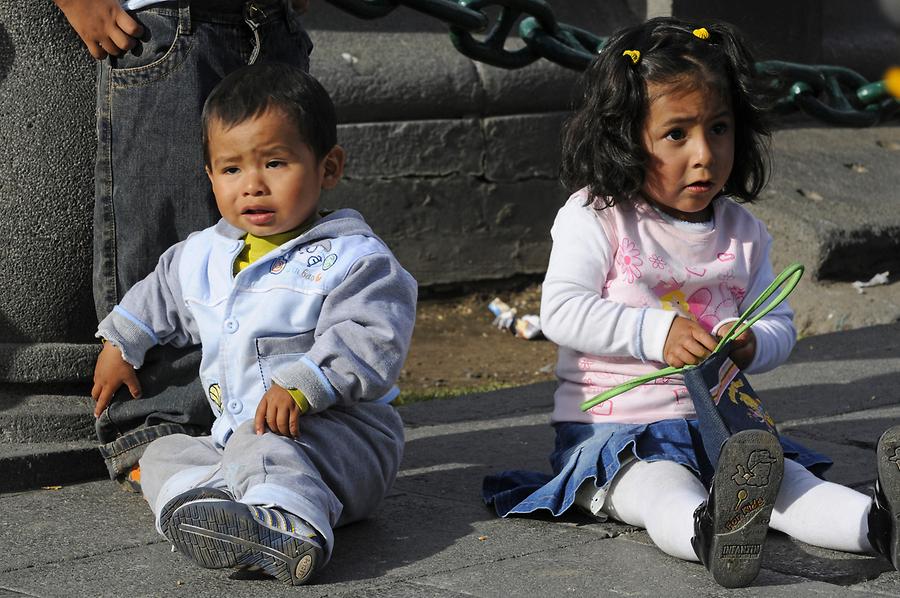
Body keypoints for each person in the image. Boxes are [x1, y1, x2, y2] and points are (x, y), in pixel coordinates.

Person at [482, 17, 900, 589]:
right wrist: (655, 333)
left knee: (790, 483)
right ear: (626, 137)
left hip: (725, 426)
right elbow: (561, 310)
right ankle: (710, 531)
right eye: (677, 134)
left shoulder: (744, 231)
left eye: (720, 128)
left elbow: (779, 322)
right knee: (658, 489)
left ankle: (878, 524)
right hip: (614, 432)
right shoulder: (596, 217)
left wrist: (755, 342)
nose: (704, 154)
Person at [90, 63, 417, 585]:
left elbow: (371, 337)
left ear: (328, 168)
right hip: (237, 441)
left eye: (275, 163)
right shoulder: (202, 254)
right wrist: (122, 341)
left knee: (262, 446)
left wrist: (306, 384)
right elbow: (162, 294)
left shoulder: (353, 258)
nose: (253, 186)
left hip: (342, 442)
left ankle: (292, 527)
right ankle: (206, 513)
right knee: (163, 451)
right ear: (210, 176)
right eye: (232, 169)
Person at [52, 0, 315, 490]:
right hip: (166, 25)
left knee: (282, 242)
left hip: (271, 23)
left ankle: (262, 430)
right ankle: (159, 432)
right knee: (167, 234)